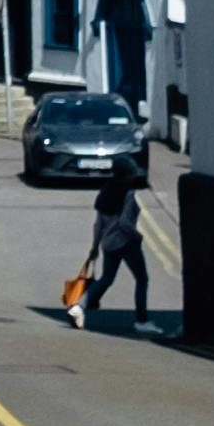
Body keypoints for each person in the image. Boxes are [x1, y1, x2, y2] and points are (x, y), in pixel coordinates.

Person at [64, 128, 154, 327]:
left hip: (108, 244)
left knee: (106, 279)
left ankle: (78, 307)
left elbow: (99, 223)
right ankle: (142, 321)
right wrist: (137, 236)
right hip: (126, 243)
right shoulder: (128, 195)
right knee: (142, 279)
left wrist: (95, 246)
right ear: (127, 175)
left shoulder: (105, 192)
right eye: (131, 172)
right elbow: (124, 223)